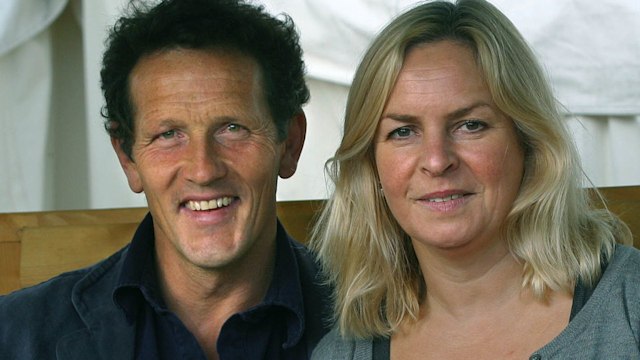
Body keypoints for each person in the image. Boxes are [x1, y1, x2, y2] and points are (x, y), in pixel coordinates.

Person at [0, 0, 331, 358]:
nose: (203, 170)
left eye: (232, 129)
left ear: (290, 143)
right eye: (169, 135)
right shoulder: (17, 335)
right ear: (127, 157)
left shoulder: (377, 326)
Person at [310, 0, 639, 359]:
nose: (437, 161)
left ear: (528, 142)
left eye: (470, 125)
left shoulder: (629, 305)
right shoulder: (341, 353)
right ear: (370, 165)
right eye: (403, 131)